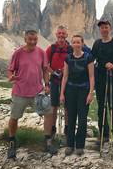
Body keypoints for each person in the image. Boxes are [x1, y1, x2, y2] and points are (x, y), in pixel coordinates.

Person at [7, 30, 56, 159]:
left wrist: (47, 85)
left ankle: (47, 141)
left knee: (49, 113)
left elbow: (45, 70)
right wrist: (11, 77)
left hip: (37, 92)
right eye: (30, 39)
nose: (33, 42)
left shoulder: (41, 52)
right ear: (25, 39)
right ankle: (12, 141)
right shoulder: (18, 53)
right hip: (20, 91)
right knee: (14, 117)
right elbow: (10, 70)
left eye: (35, 39)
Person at [92, 19, 113, 148]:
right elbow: (91, 60)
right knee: (102, 106)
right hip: (100, 78)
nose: (104, 30)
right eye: (102, 28)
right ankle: (104, 134)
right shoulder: (96, 44)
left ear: (110, 28)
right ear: (99, 30)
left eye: (106, 27)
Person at [60, 35, 94, 156]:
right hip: (70, 90)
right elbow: (65, 76)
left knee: (83, 118)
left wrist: (91, 93)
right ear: (72, 44)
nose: (76, 44)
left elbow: (91, 76)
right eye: (74, 42)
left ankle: (80, 145)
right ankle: (70, 144)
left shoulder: (88, 57)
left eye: (78, 42)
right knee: (71, 117)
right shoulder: (68, 58)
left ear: (82, 43)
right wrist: (62, 93)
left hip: (84, 90)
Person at [46, 25, 71, 137]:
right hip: (54, 80)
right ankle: (52, 128)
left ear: (66, 35)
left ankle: (67, 129)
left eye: (63, 33)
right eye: (59, 33)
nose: (61, 35)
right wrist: (53, 72)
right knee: (53, 105)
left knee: (67, 105)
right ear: (56, 35)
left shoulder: (71, 49)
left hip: (68, 81)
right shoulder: (51, 49)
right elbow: (45, 65)